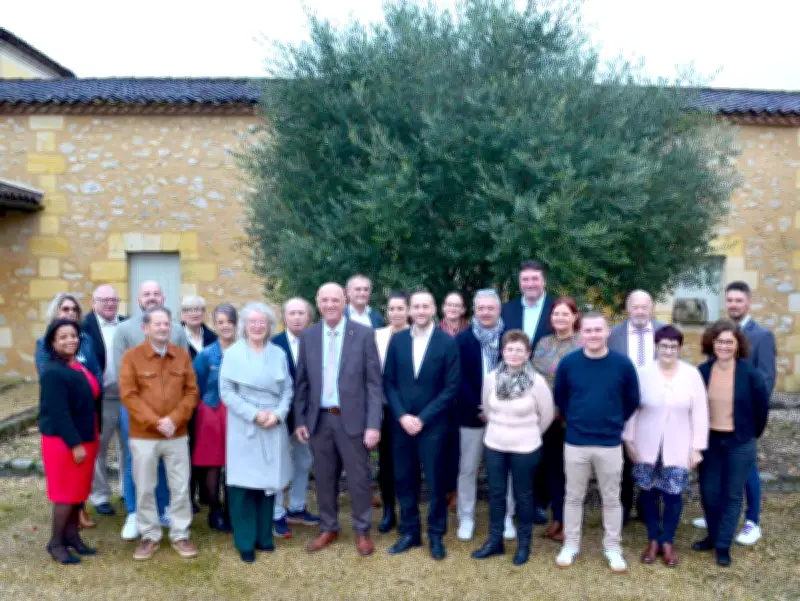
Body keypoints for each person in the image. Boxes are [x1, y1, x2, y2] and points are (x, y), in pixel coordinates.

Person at [294, 282, 384, 556]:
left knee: (359, 479)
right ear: (318, 302)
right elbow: (302, 383)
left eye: (335, 300)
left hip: (353, 420)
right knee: (324, 479)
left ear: (344, 301)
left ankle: (362, 530)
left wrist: (373, 424)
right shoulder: (309, 336)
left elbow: (374, 384)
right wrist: (300, 420)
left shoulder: (364, 334)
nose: (330, 305)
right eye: (325, 300)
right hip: (319, 421)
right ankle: (328, 527)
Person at [553, 312, 640, 573]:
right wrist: (576, 419)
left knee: (611, 498)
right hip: (576, 441)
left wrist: (614, 421)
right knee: (573, 497)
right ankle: (570, 544)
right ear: (581, 333)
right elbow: (561, 397)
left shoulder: (622, 364)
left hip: (609, 443)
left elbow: (632, 399)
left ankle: (613, 547)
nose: (593, 335)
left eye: (598, 330)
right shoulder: (569, 363)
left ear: (607, 332)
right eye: (588, 330)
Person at [693, 281, 776, 546]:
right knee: (718, 475)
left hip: (743, 422)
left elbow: (766, 379)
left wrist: (750, 421)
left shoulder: (762, 335)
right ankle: (717, 518)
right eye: (729, 300)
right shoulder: (719, 331)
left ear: (748, 302)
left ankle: (752, 521)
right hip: (718, 423)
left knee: (747, 472)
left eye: (739, 300)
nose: (734, 304)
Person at [622, 325, 709, 567]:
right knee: (648, 492)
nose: (668, 350)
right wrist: (628, 440)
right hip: (646, 443)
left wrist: (697, 447)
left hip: (679, 444)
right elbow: (632, 409)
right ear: (656, 347)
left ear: (679, 348)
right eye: (663, 346)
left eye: (673, 346)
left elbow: (700, 412)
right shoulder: (643, 373)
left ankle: (668, 541)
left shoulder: (691, 374)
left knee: (673, 494)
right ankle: (653, 539)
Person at [384, 290, 461, 560]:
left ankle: (436, 534)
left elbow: (451, 387)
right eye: (415, 306)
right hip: (402, 424)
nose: (420, 311)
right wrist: (402, 416)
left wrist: (423, 418)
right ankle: (410, 532)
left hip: (433, 425)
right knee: (404, 479)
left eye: (425, 306)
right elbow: (389, 382)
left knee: (436, 481)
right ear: (409, 310)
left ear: (433, 309)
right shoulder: (398, 341)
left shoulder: (446, 343)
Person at [119, 306, 199, 561]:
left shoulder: (181, 356)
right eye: (158, 324)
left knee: (180, 486)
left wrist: (175, 420)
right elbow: (129, 395)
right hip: (144, 436)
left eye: (167, 323)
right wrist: (155, 422)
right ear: (145, 328)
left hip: (177, 434)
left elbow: (191, 392)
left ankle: (180, 533)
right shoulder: (132, 357)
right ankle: (149, 535)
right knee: (144, 487)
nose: (163, 328)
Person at [472, 330, 555, 565]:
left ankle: (524, 545)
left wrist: (528, 433)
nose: (514, 354)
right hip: (495, 444)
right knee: (496, 494)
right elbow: (487, 408)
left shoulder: (537, 382)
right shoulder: (492, 378)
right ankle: (495, 541)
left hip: (525, 448)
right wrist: (502, 428)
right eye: (510, 349)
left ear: (528, 354)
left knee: (524, 496)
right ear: (503, 352)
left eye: (519, 350)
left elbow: (547, 415)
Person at [113, 280, 188, 541]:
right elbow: (123, 376)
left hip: (170, 411)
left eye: (156, 293)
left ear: (163, 298)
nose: (152, 297)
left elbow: (184, 371)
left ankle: (163, 507)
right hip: (136, 410)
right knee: (137, 459)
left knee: (166, 459)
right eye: (147, 294)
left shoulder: (177, 330)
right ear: (138, 300)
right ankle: (134, 512)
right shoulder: (124, 330)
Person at [220, 303, 294, 563]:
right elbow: (227, 391)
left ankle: (264, 537)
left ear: (270, 326)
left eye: (262, 322)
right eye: (253, 322)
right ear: (244, 325)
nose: (258, 326)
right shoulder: (233, 353)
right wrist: (254, 414)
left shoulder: (278, 353)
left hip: (272, 424)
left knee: (267, 485)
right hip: (245, 425)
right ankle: (245, 542)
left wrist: (278, 414)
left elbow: (288, 390)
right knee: (243, 487)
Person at [35, 293, 102, 529]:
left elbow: (94, 381)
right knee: (66, 492)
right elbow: (58, 410)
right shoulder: (53, 369)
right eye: (63, 337)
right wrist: (75, 444)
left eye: (73, 336)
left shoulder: (78, 362)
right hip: (67, 437)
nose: (70, 340)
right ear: (52, 342)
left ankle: (74, 536)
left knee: (78, 489)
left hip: (86, 430)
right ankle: (58, 542)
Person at [455, 289, 516, 542]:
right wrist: (480, 407)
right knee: (467, 469)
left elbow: (517, 374)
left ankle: (506, 517)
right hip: (471, 416)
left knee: (504, 470)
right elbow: (458, 378)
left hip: (504, 416)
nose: (486, 312)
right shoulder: (462, 339)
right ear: (474, 310)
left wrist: (496, 408)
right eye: (481, 308)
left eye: (491, 308)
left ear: (499, 309)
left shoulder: (511, 337)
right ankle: (466, 517)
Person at [608, 290, 663, 525]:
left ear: (651, 309)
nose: (640, 311)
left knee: (652, 457)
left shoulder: (664, 332)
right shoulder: (613, 335)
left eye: (644, 307)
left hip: (654, 406)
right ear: (628, 309)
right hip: (623, 405)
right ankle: (623, 508)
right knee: (623, 460)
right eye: (635, 307)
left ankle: (646, 507)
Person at [531, 296, 582, 542]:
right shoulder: (543, 343)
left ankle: (568, 523)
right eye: (556, 314)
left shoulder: (582, 343)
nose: (560, 318)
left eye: (565, 313)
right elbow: (533, 377)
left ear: (574, 317)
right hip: (547, 419)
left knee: (571, 472)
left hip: (572, 418)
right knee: (552, 470)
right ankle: (557, 518)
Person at [271, 298, 320, 539]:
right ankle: (277, 513)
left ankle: (297, 508)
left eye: (301, 313)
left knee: (304, 462)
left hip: (309, 418)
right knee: (280, 466)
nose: (297, 317)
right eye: (292, 313)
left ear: (309, 317)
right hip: (282, 417)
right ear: (284, 317)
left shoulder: (317, 343)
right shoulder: (274, 345)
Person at [192, 304, 237, 532]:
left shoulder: (244, 351)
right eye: (220, 322)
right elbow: (195, 387)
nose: (225, 326)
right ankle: (215, 510)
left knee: (235, 464)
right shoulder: (206, 355)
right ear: (215, 325)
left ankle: (232, 509)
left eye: (229, 322)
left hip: (237, 413)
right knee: (213, 464)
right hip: (211, 412)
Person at [83, 285, 127, 519]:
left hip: (128, 398)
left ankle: (127, 491)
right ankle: (100, 496)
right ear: (94, 302)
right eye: (104, 299)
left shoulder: (127, 323)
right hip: (102, 399)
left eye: (113, 299)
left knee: (128, 447)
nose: (110, 303)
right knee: (99, 448)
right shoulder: (84, 328)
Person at [374, 290, 411, 533]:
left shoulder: (417, 335)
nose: (395, 313)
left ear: (408, 311)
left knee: (408, 464)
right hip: (385, 410)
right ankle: (389, 510)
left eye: (400, 308)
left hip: (411, 411)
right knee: (386, 463)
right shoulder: (377, 336)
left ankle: (409, 512)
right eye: (391, 309)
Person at [181, 295, 218, 513]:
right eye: (189, 309)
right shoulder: (176, 336)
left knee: (207, 449)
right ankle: (188, 496)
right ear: (182, 314)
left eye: (199, 309)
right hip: (184, 402)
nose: (194, 313)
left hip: (209, 404)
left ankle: (207, 494)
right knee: (186, 450)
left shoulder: (213, 338)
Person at [438, 290, 469, 511]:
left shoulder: (471, 331)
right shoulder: (434, 331)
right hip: (439, 395)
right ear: (443, 308)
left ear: (463, 309)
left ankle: (457, 490)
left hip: (464, 395)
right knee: (442, 445)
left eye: (457, 305)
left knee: (460, 446)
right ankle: (443, 489)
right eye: (449, 304)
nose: (452, 308)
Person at [501, 260, 555, 350]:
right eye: (525, 279)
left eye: (535, 279)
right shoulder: (506, 310)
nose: (530, 284)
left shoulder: (556, 308)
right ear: (519, 283)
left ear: (544, 282)